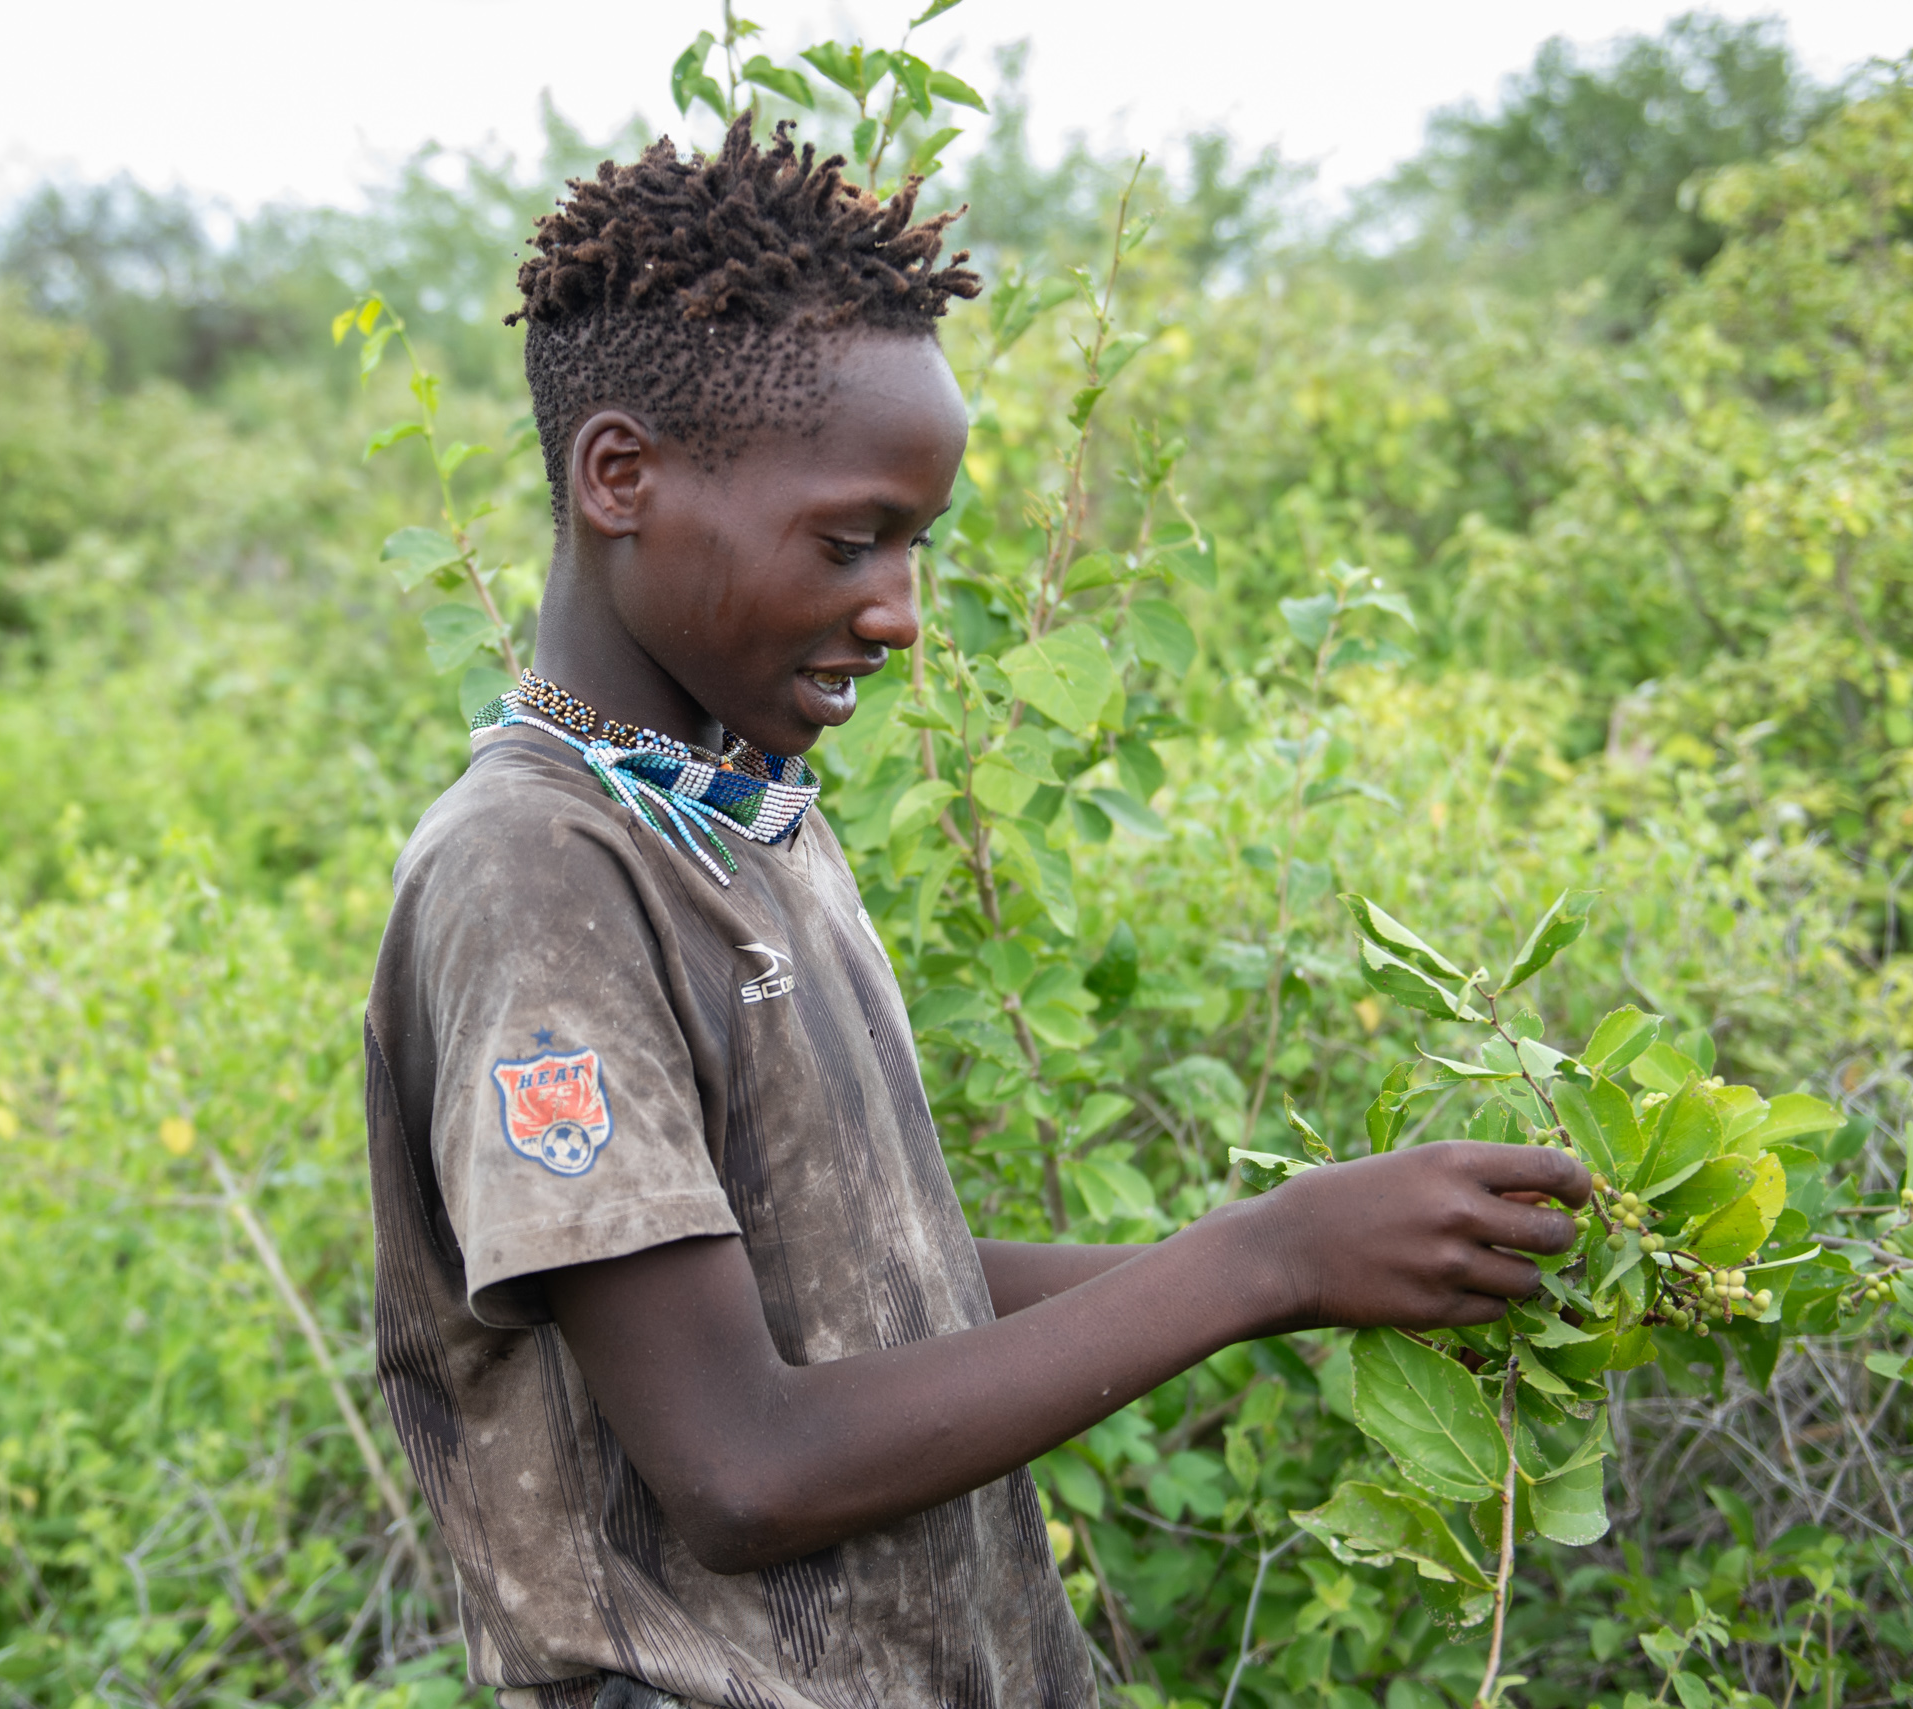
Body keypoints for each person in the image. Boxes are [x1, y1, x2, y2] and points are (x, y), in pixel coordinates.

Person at [362, 116, 1588, 1709]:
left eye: (918, 544)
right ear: (621, 477)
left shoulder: (730, 803)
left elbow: (860, 1278)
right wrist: (1261, 1262)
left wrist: (1319, 1262)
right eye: (851, 538)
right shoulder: (536, 872)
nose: (900, 611)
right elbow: (742, 1464)